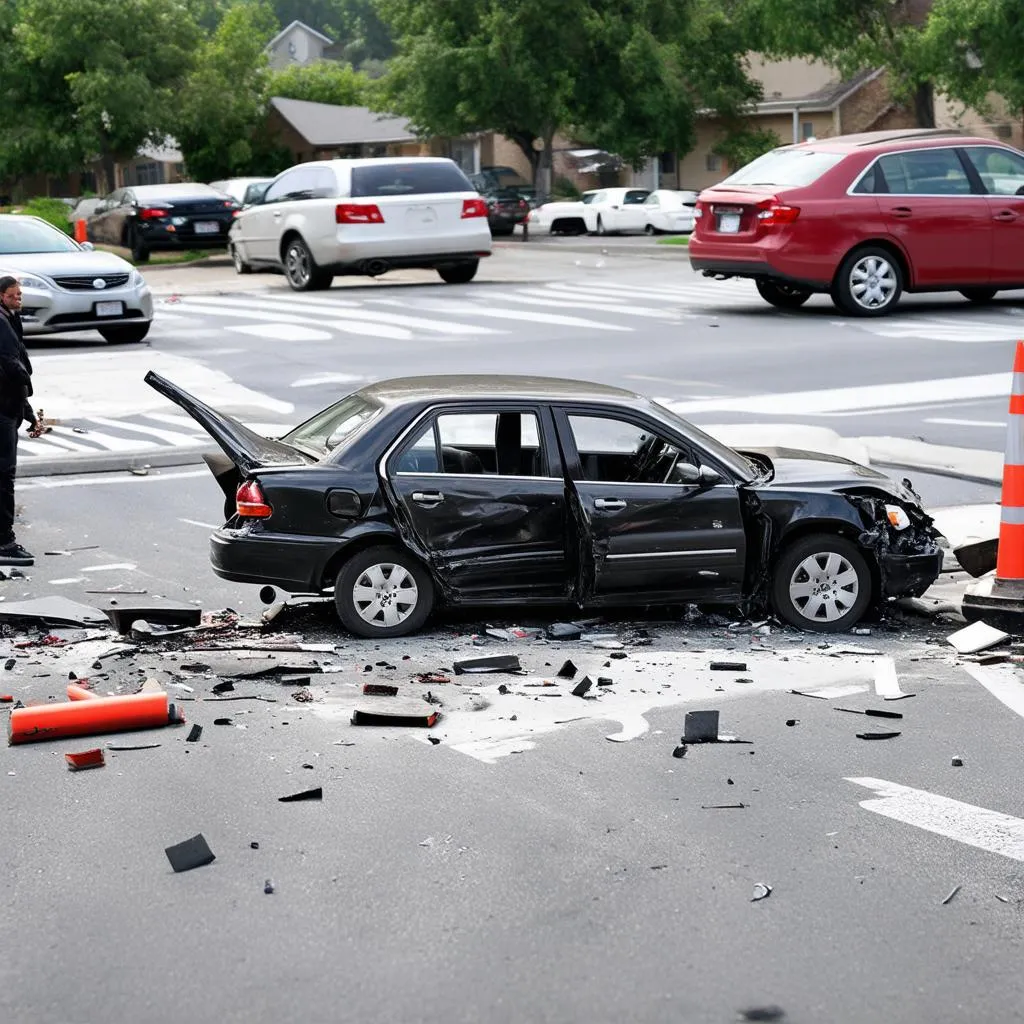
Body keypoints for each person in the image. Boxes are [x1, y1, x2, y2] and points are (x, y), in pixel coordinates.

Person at [0, 276, 37, 565]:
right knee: (4, 475)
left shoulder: (11, 320)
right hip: (3, 408)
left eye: (20, 295)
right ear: (1, 297)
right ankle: (4, 541)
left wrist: (27, 409)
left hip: (10, 404)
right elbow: (12, 364)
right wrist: (25, 379)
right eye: (13, 296)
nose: (18, 300)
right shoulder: (2, 323)